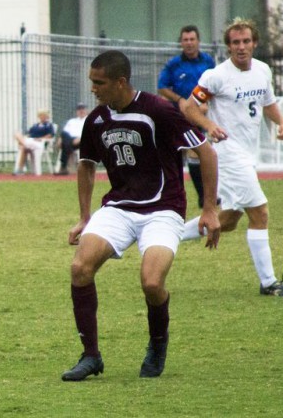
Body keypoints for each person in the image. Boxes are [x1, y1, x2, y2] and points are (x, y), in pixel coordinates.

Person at [61, 50, 220, 382]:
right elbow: (86, 166)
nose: (93, 89)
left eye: (98, 82)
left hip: (163, 209)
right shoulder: (97, 119)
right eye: (92, 82)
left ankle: (158, 342)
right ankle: (91, 356)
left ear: (121, 82)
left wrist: (208, 209)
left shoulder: (158, 111)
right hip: (119, 207)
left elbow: (205, 151)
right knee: (80, 268)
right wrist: (83, 216)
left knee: (151, 282)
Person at [180, 18, 283, 296]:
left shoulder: (262, 71)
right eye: (235, 42)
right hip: (227, 154)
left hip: (248, 154)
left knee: (227, 221)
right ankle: (269, 283)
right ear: (228, 47)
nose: (241, 47)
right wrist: (209, 125)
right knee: (260, 212)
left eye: (246, 41)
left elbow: (268, 104)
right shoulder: (216, 76)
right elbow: (189, 107)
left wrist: (281, 121)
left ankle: (167, 236)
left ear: (254, 43)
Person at [158, 25, 216, 208]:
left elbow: (216, 85)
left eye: (192, 39)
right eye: (185, 40)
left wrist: (206, 103)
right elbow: (162, 87)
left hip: (202, 116)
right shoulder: (174, 64)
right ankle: (173, 194)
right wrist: (180, 100)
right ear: (181, 42)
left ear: (198, 41)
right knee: (181, 154)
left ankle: (204, 195)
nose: (189, 43)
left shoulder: (208, 62)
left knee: (199, 151)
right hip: (179, 117)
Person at [13, 110, 54, 176]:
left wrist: (40, 138)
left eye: (44, 115)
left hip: (39, 143)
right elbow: (29, 134)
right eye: (41, 115)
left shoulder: (49, 125)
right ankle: (20, 170)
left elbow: (50, 135)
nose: (43, 117)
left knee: (19, 140)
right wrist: (25, 137)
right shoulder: (35, 125)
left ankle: (22, 144)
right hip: (30, 141)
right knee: (21, 142)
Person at [54, 103, 88, 175]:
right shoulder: (72, 121)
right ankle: (64, 168)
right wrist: (60, 139)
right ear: (77, 111)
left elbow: (90, 133)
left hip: (82, 141)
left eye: (83, 109)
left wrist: (80, 138)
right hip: (70, 140)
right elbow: (65, 132)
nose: (81, 111)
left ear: (86, 110)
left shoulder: (89, 120)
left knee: (65, 144)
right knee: (64, 136)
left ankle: (63, 167)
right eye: (79, 109)